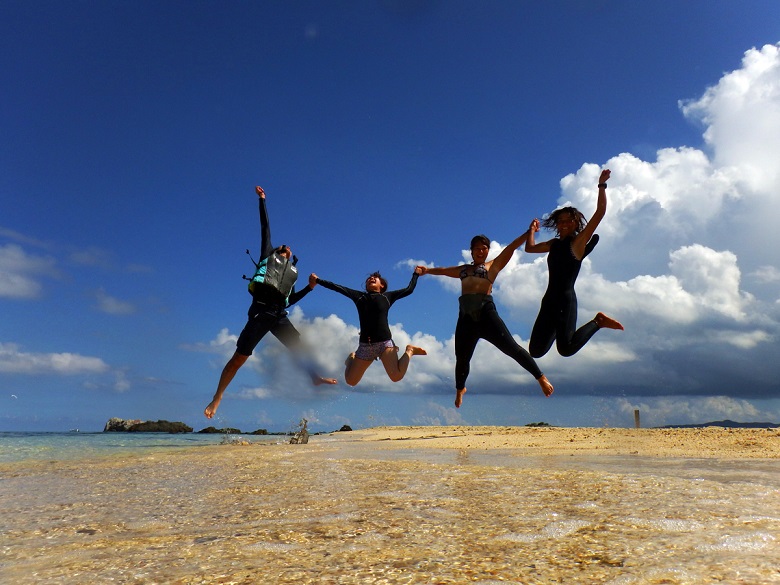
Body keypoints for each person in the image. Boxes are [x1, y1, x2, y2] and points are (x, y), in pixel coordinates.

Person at [204, 186, 337, 419]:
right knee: (240, 357)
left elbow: (290, 299)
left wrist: (310, 287)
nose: (286, 247)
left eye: (288, 248)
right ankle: (218, 397)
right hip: (261, 311)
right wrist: (262, 200)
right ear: (276, 250)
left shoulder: (292, 272)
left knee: (298, 346)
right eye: (282, 246)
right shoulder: (268, 254)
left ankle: (314, 377)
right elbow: (265, 227)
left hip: (278, 314)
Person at [418, 233, 554, 408]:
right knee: (462, 358)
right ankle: (460, 389)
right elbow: (443, 271)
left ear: (487, 251)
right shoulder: (463, 270)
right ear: (472, 252)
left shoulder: (493, 266)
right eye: (477, 248)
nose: (481, 251)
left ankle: (540, 377)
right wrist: (427, 271)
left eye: (484, 248)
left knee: (512, 348)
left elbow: (512, 246)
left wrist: (530, 233)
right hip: (466, 317)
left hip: (486, 314)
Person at [524, 168, 624, 359]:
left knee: (566, 349)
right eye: (561, 221)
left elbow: (600, 212)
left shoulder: (578, 243)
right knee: (535, 351)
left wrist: (601, 185)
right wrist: (532, 231)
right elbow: (530, 248)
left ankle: (598, 321)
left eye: (569, 221)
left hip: (565, 301)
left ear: (576, 223)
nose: (564, 224)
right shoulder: (553, 244)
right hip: (549, 302)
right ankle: (558, 329)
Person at [315, 268, 427, 386]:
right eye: (369, 279)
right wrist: (318, 280)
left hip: (384, 344)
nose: (371, 279)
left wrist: (416, 274)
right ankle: (351, 360)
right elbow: (337, 288)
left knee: (396, 377)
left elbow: (409, 290)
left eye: (375, 278)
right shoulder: (359, 297)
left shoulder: (387, 297)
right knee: (351, 381)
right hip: (365, 346)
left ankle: (410, 351)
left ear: (382, 285)